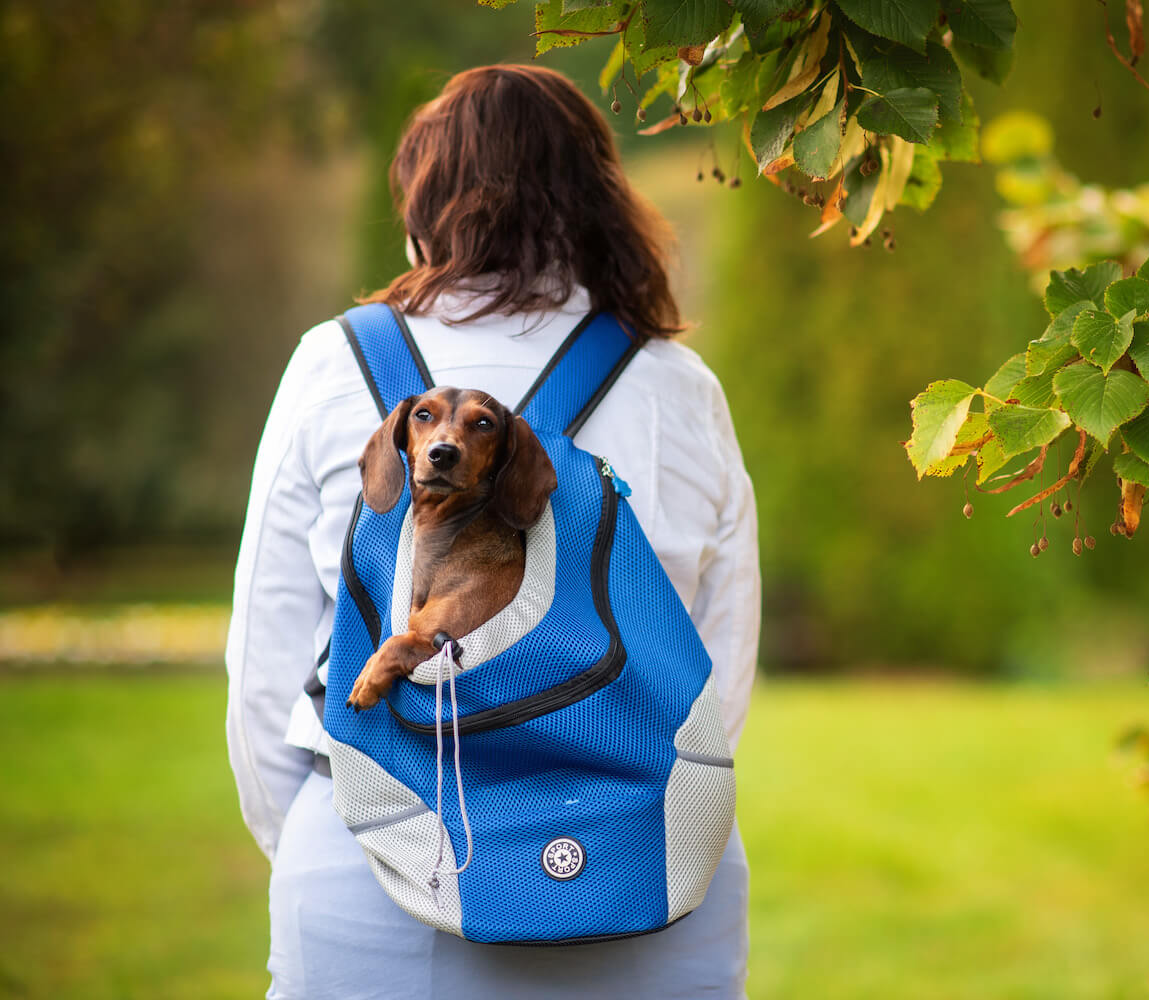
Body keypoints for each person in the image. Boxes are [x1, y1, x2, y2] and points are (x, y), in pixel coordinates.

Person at [224, 63, 759, 999]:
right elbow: (718, 663)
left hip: (377, 875)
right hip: (645, 874)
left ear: (423, 203)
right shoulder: (680, 385)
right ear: (601, 199)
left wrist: (334, 845)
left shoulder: (336, 363)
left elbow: (264, 660)